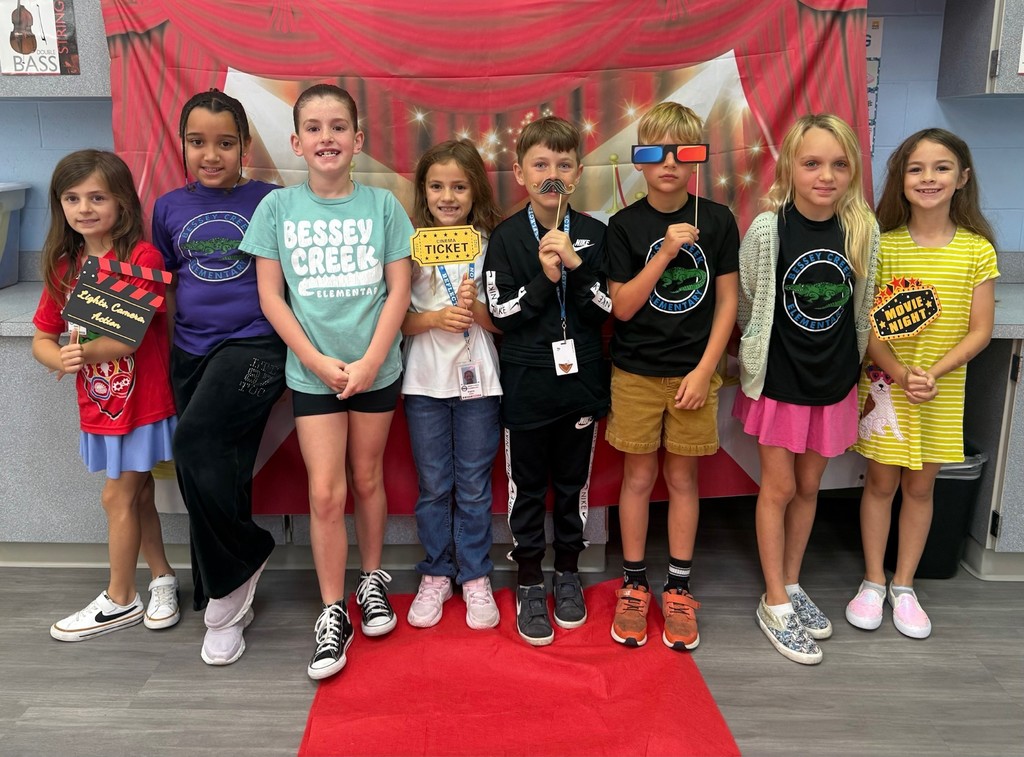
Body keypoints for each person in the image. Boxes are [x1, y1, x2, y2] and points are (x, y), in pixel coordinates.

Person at [240, 84, 413, 680]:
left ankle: (371, 582)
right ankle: (332, 610)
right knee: (324, 492)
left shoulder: (385, 206)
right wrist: (315, 360)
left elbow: (400, 291)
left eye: (338, 127)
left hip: (376, 369)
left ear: (357, 140)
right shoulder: (277, 210)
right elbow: (270, 296)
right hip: (313, 372)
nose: (327, 138)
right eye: (313, 128)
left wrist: (369, 361)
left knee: (367, 478)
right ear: (295, 141)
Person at [733, 114, 879, 664]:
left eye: (839, 164)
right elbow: (750, 305)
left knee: (810, 487)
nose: (825, 175)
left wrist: (858, 373)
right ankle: (772, 601)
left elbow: (861, 311)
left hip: (834, 383)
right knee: (779, 488)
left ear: (853, 171)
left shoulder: (863, 230)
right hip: (780, 384)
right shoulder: (769, 230)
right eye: (812, 163)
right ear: (791, 166)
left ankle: (792, 584)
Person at [152, 89, 287, 666]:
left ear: (245, 147)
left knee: (195, 441)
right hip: (189, 350)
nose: (212, 154)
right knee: (210, 469)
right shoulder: (166, 207)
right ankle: (229, 593)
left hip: (257, 345)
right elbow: (157, 278)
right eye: (198, 142)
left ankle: (235, 574)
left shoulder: (272, 199)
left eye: (225, 143)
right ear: (182, 145)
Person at [847, 129, 998, 640]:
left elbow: (981, 330)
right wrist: (898, 372)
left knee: (920, 487)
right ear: (900, 179)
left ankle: (904, 586)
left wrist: (932, 373)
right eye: (916, 169)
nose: (928, 178)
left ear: (963, 178)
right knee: (881, 484)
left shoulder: (977, 252)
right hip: (886, 389)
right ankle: (872, 580)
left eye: (941, 168)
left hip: (941, 390)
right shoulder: (882, 247)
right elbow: (864, 326)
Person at [605, 102, 739, 650]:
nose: (669, 164)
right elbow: (622, 308)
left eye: (683, 154)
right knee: (638, 479)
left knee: (683, 480)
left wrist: (707, 370)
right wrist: (663, 252)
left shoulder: (720, 219)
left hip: (695, 374)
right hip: (636, 374)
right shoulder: (624, 225)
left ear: (696, 161)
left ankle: (678, 589)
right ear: (640, 161)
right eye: (656, 152)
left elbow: (729, 301)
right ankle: (634, 585)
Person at [32, 150, 179, 642]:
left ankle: (121, 598)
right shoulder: (64, 264)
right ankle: (161, 578)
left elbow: (130, 336)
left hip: (144, 406)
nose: (84, 208)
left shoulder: (142, 258)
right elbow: (42, 338)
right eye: (72, 198)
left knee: (116, 495)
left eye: (97, 197)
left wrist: (83, 350)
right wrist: (60, 359)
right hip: (99, 409)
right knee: (136, 497)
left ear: (121, 201)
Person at [483, 116, 612, 646]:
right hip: (526, 388)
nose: (551, 174)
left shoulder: (597, 234)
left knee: (572, 486)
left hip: (580, 384)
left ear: (577, 173)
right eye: (540, 164)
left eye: (563, 164)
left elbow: (606, 309)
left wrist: (577, 268)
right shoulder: (507, 237)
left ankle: (567, 573)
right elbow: (500, 312)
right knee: (528, 488)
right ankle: (530, 578)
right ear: (520, 172)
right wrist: (545, 279)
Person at [401, 139, 504, 630]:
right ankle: (437, 572)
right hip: (423, 381)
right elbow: (396, 320)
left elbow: (504, 320)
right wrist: (435, 317)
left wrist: (471, 308)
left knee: (474, 486)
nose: (448, 196)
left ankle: (476, 574)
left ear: (474, 190)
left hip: (479, 381)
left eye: (459, 186)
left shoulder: (491, 244)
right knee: (435, 484)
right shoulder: (410, 245)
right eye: (437, 185)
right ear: (424, 190)